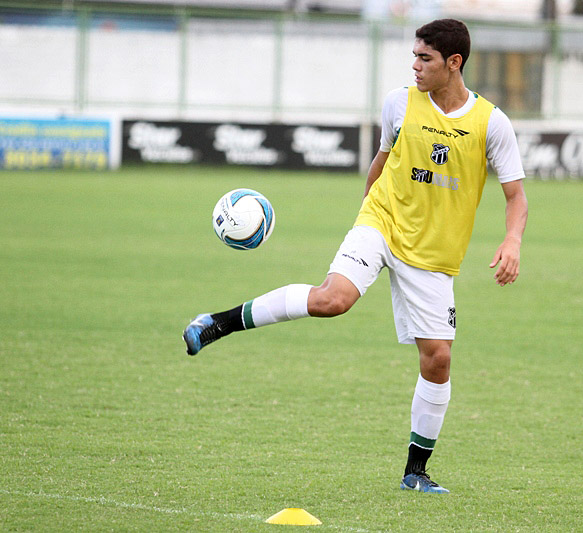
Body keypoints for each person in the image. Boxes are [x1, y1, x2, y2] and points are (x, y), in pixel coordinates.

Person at [182, 18, 528, 494]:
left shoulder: (491, 123)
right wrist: (366, 221)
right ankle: (216, 324)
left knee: (438, 360)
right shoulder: (399, 103)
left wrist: (512, 241)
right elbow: (381, 162)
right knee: (333, 300)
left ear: (454, 63)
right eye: (414, 56)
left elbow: (516, 195)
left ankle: (415, 472)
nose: (415, 65)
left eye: (424, 58)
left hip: (433, 254)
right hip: (381, 223)